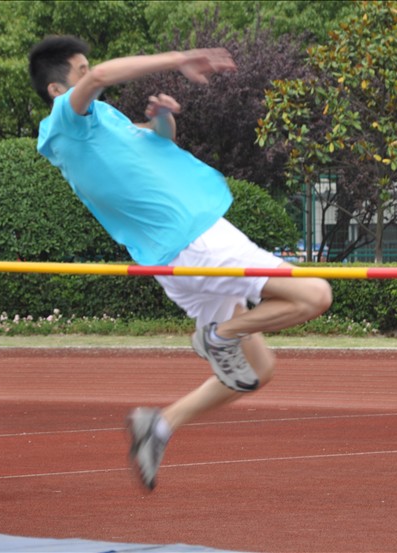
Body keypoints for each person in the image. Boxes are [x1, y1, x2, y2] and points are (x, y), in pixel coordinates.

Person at [28, 36, 333, 491]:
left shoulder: (101, 121)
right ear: (58, 89)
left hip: (178, 255)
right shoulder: (66, 121)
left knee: (257, 371)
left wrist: (162, 119)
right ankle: (219, 336)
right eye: (81, 71)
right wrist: (181, 59)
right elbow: (104, 75)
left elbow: (156, 143)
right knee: (316, 295)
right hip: (196, 240)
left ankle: (161, 424)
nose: (91, 76)